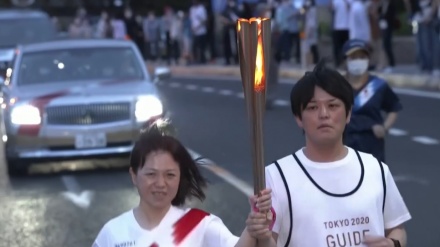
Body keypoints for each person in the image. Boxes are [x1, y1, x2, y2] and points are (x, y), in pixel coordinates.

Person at [262, 61, 411, 247]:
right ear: (299, 118)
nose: (324, 114)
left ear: (348, 114)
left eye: (333, 106)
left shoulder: (375, 168)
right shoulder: (276, 177)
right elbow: (267, 241)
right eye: (313, 107)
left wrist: (392, 244)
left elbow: (397, 228)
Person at [92, 119, 273, 247]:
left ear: (180, 177)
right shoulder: (113, 233)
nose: (160, 183)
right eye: (151, 174)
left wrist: (253, 227)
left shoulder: (199, 224)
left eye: (170, 175)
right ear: (134, 175)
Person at [341, 39, 402, 162]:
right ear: (345, 60)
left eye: (362, 57)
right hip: (344, 142)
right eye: (353, 57)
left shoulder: (377, 86)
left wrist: (385, 127)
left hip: (371, 143)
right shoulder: (336, 85)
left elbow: (394, 107)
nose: (358, 61)